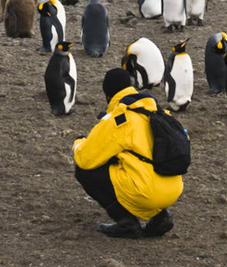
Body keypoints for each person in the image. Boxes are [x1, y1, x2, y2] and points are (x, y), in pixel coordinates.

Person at [72, 68, 183, 238]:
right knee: (138, 165)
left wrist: (78, 143)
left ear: (108, 95)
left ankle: (126, 222)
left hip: (147, 192)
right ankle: (160, 216)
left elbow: (85, 158)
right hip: (173, 188)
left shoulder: (121, 117)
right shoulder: (157, 110)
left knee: (85, 171)